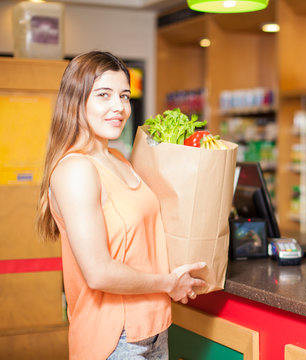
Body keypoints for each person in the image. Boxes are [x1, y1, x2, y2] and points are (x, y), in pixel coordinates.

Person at [37, 51, 207, 360]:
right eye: (104, 95)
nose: (119, 107)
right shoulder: (76, 170)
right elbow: (99, 273)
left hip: (153, 326)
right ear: (76, 100)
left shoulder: (117, 158)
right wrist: (169, 283)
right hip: (115, 337)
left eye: (125, 96)